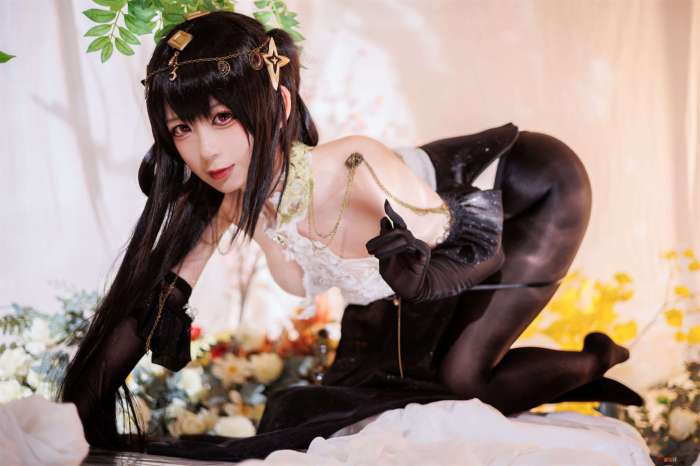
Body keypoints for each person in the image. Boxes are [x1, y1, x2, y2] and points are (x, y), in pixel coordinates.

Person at [57, 10, 645, 462]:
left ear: (278, 102)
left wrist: (417, 281)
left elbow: (470, 243)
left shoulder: (354, 164)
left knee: (461, 379)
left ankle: (596, 356)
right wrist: (79, 417)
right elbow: (151, 300)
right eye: (182, 129)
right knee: (349, 401)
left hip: (531, 189)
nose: (206, 150)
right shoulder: (223, 202)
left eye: (223, 117)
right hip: (432, 243)